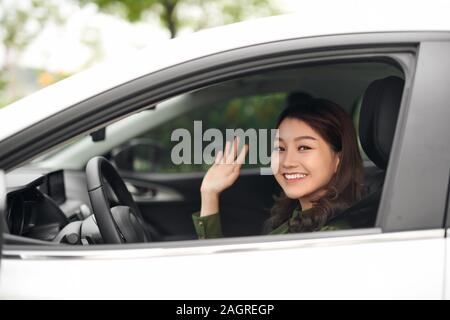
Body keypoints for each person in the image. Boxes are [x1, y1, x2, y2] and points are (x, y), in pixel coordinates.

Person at [192, 97, 364, 238]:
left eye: (304, 147)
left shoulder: (331, 237)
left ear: (338, 159)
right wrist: (209, 194)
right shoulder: (292, 217)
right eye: (280, 148)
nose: (287, 162)